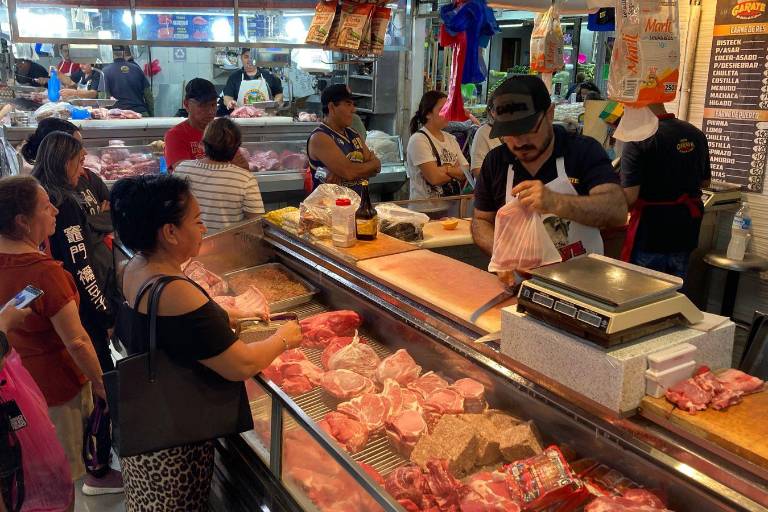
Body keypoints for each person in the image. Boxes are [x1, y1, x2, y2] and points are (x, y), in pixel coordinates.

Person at [110, 174, 303, 510]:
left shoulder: (135, 266)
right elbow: (240, 365)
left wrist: (221, 317)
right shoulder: (175, 290)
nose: (202, 229)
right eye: (197, 222)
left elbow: (171, 327)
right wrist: (283, 338)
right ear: (170, 232)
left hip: (146, 431)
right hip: (174, 448)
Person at [0, 176, 122, 494]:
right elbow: (77, 340)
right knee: (60, 480)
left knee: (27, 476)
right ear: (23, 222)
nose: (55, 209)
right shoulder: (44, 272)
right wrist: (100, 382)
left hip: (12, 386)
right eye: (45, 206)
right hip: (54, 391)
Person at [471, 76, 627, 281]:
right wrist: (503, 254)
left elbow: (616, 211)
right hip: (523, 287)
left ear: (550, 114)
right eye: (509, 133)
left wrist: (555, 202)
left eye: (528, 129)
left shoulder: (583, 151)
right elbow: (481, 221)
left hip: (584, 286)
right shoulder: (496, 161)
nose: (519, 142)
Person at [23, 120, 115, 373]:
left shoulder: (35, 191)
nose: (82, 171)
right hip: (76, 305)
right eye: (80, 162)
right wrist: (104, 314)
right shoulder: (65, 203)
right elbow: (81, 266)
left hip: (50, 305)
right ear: (66, 163)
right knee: (102, 370)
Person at [620, 104, 710, 279]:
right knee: (673, 293)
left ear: (637, 107)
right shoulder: (696, 133)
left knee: (642, 296)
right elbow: (705, 182)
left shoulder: (638, 138)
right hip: (685, 229)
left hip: (652, 232)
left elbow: (629, 197)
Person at [174, 118, 264, 232]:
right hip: (225, 246)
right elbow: (256, 223)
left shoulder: (182, 169)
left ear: (202, 144)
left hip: (189, 244)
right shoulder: (245, 179)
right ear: (237, 148)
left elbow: (173, 210)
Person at [307, 84, 381, 194]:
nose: (353, 109)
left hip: (356, 206)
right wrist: (369, 165)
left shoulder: (353, 133)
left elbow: (377, 168)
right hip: (328, 209)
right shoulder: (320, 137)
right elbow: (349, 172)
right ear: (331, 107)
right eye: (348, 104)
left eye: (353, 104)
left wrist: (353, 171)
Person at [406, 91, 469, 200]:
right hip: (425, 210)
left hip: (451, 206)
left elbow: (465, 172)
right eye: (442, 110)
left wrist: (446, 169)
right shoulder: (419, 140)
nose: (447, 114)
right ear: (428, 113)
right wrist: (454, 170)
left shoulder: (451, 139)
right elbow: (434, 178)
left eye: (448, 109)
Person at [164, 78, 218, 171]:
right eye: (203, 105)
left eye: (213, 105)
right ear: (187, 105)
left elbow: (240, 165)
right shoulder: (175, 135)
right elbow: (184, 174)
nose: (210, 111)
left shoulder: (221, 133)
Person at [102, 46, 153, 116]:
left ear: (112, 54)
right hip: (140, 114)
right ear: (123, 54)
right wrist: (152, 115)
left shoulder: (105, 71)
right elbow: (148, 95)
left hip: (119, 117)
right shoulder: (137, 69)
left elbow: (104, 97)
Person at [470, 95, 502, 178]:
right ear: (492, 112)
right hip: (493, 188)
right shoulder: (484, 133)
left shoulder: (520, 132)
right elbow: (477, 172)